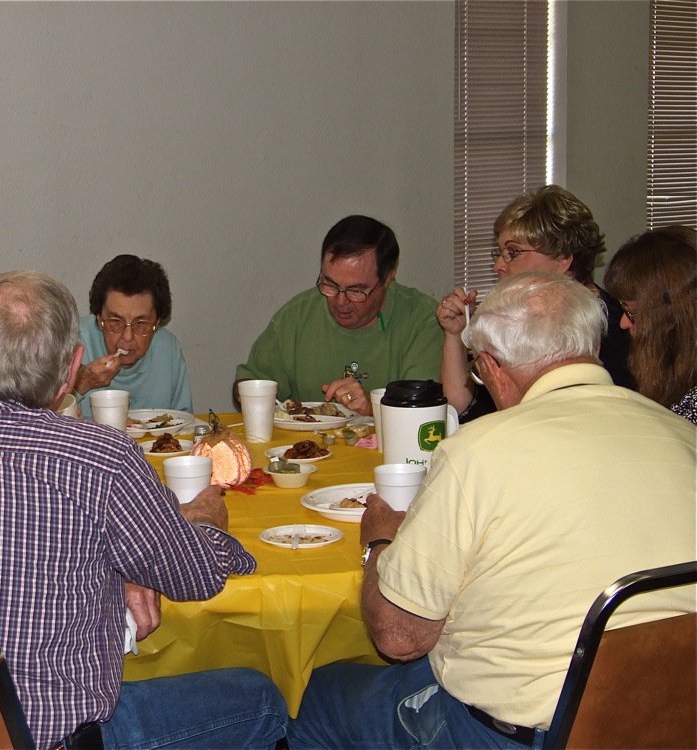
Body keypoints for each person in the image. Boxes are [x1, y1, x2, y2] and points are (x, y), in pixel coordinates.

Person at [0, 270, 287, 749]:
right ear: (72, 369)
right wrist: (206, 520)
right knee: (264, 700)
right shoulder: (98, 457)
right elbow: (196, 577)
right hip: (39, 738)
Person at [287, 272, 695, 749]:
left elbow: (399, 637)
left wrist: (380, 539)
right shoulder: (683, 435)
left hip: (522, 737)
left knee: (312, 696)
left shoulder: (477, 452)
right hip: (672, 722)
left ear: (493, 367)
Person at [438, 185, 633, 422]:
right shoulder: (510, 319)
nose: (498, 265)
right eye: (499, 253)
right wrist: (455, 333)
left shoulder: (616, 328)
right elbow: (457, 407)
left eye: (513, 252)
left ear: (562, 259)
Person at [234, 215, 442, 416]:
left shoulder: (423, 319)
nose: (341, 301)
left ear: (388, 278)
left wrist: (374, 409)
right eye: (330, 285)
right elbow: (249, 382)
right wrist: (252, 394)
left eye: (356, 290)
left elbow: (422, 414)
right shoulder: (297, 316)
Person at [75, 254, 192, 419]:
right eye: (115, 322)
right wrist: (81, 383)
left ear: (157, 322)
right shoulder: (74, 342)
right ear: (99, 317)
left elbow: (184, 423)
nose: (128, 337)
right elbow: (46, 421)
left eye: (141, 324)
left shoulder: (168, 349)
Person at [603, 225, 697, 424]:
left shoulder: (690, 408)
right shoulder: (677, 379)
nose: (623, 323)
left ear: (671, 316)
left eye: (632, 313)